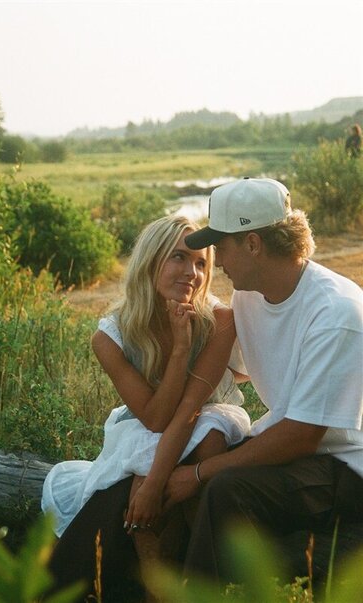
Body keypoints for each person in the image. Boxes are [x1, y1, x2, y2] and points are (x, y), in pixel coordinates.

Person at [159, 176, 363, 586]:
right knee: (194, 460)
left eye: (221, 245)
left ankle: (199, 593)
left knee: (224, 488)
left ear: (253, 244)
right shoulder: (249, 296)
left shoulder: (335, 313)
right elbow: (237, 371)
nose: (216, 258)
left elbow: (302, 435)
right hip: (304, 457)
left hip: (344, 467)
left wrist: (201, 474)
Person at [43, 215, 250, 601]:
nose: (192, 272)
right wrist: (180, 348)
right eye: (178, 258)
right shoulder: (111, 337)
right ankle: (158, 587)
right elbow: (154, 419)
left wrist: (155, 483)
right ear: (150, 262)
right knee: (145, 466)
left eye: (202, 262)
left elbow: (192, 409)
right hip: (147, 426)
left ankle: (205, 573)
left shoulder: (220, 319)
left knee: (206, 435)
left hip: (210, 416)